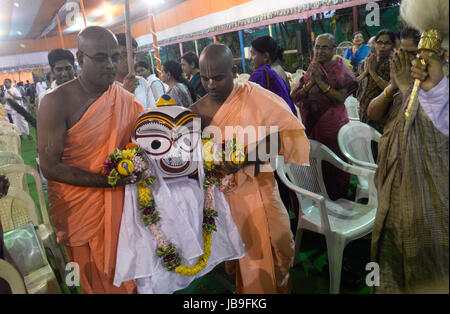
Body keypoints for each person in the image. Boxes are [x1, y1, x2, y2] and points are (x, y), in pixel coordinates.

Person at [191, 44, 310, 294]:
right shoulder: (197, 111)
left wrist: (246, 157)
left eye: (218, 77)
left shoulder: (254, 94)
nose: (210, 84)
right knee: (248, 257)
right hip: (228, 197)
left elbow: (282, 137)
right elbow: (190, 159)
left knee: (280, 243)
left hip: (261, 184)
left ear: (234, 71)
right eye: (205, 78)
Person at [37, 26, 143, 294]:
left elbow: (140, 146)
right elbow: (50, 167)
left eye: (115, 57)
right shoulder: (56, 101)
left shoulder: (125, 99)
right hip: (81, 209)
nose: (110, 65)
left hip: (122, 203)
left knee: (128, 272)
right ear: (80, 58)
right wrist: (106, 182)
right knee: (94, 279)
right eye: (100, 58)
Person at [368, 0, 449, 293]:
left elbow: (436, 132)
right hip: (393, 181)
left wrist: (407, 87)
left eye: (414, 54)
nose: (408, 60)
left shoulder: (440, 77)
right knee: (390, 258)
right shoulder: (404, 76)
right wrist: (393, 86)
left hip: (429, 190)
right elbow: (372, 114)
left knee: (427, 261)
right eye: (403, 53)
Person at [292, 33, 358, 201]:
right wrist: (310, 84)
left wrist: (321, 84)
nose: (319, 51)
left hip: (333, 128)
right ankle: (321, 201)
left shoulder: (340, 69)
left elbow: (341, 98)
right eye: (317, 47)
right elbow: (295, 96)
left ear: (333, 50)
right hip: (313, 125)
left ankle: (338, 201)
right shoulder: (313, 68)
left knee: (334, 164)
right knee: (316, 164)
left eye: (325, 47)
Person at [357, 29, 395, 135]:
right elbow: (355, 83)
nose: (382, 46)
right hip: (364, 112)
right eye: (379, 42)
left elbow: (392, 90)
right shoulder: (365, 62)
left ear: (393, 46)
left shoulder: (393, 65)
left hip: (382, 115)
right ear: (374, 44)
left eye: (387, 43)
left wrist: (373, 73)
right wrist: (366, 72)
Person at [249, 36, 297, 116]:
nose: (250, 58)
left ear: (265, 56)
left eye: (253, 54)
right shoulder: (278, 69)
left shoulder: (265, 74)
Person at [115, 33, 156, 110]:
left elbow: (152, 112)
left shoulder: (142, 82)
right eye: (123, 55)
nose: (129, 60)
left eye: (132, 55)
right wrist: (125, 93)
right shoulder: (107, 88)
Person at [36, 49, 76, 113]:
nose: (64, 74)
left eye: (68, 68)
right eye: (59, 70)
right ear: (52, 71)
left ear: (74, 68)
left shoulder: (86, 90)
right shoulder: (44, 98)